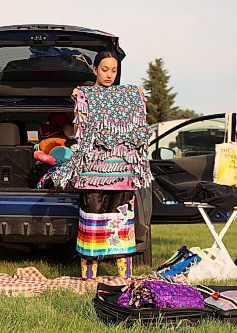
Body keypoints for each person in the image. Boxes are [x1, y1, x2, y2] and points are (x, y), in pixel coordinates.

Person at [68, 51, 152, 280]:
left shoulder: (127, 96)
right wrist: (79, 94)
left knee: (121, 222)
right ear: (95, 70)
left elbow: (137, 99)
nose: (109, 75)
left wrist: (138, 94)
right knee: (92, 221)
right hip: (93, 173)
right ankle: (89, 279)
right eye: (104, 69)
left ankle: (125, 278)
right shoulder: (85, 94)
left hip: (122, 173)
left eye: (114, 70)